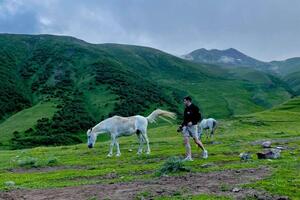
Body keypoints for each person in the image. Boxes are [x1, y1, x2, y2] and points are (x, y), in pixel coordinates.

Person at [178, 96, 208, 161]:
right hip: (186, 127)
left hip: (193, 126)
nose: (184, 102)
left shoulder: (195, 108)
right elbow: (185, 119)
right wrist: (181, 126)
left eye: (184, 101)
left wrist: (193, 122)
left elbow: (199, 117)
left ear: (188, 101)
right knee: (186, 140)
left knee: (196, 141)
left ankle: (205, 151)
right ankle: (189, 157)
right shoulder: (186, 109)